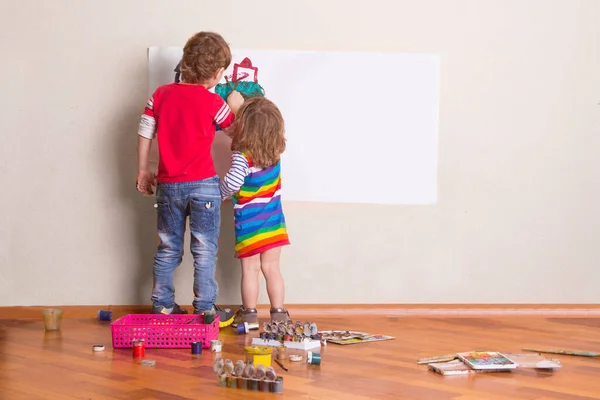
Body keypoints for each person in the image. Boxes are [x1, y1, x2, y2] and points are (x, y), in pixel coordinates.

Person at [136, 31, 245, 322]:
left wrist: (143, 169)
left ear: (185, 62)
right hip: (204, 187)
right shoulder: (213, 103)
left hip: (169, 186)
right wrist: (235, 105)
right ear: (219, 73)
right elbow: (236, 132)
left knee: (168, 247)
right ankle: (205, 308)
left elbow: (146, 131)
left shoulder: (160, 95)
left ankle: (161, 305)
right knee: (205, 249)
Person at [219, 97, 291, 325]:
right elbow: (260, 126)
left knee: (250, 271)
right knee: (272, 269)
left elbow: (232, 183)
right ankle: (278, 313)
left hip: (249, 225)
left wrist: (218, 194)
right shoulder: (275, 153)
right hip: (274, 224)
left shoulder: (243, 157)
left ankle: (249, 314)